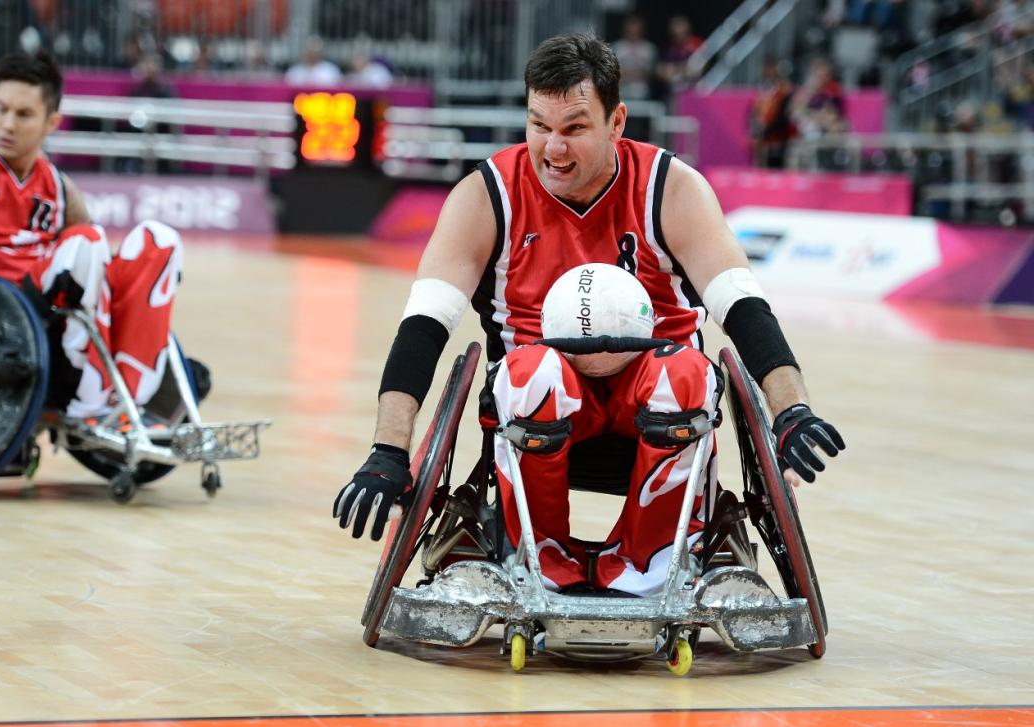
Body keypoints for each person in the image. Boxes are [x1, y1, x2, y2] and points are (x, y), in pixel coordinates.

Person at [331, 33, 844, 596]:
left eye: (574, 127)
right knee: (531, 376)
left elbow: (745, 308)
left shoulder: (671, 188)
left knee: (688, 375)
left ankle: (649, 565)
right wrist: (388, 450)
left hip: (654, 398)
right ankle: (538, 555)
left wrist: (791, 410)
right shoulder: (486, 196)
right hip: (537, 402)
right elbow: (422, 329)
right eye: (539, 126)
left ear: (616, 122)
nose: (553, 148)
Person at [0, 49, 183, 420]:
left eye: (24, 114)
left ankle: (142, 383)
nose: (8, 124)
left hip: (54, 314)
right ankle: (91, 399)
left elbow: (100, 283)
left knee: (160, 240)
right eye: (1, 109)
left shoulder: (60, 188)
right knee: (87, 241)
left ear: (51, 122)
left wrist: (181, 368)